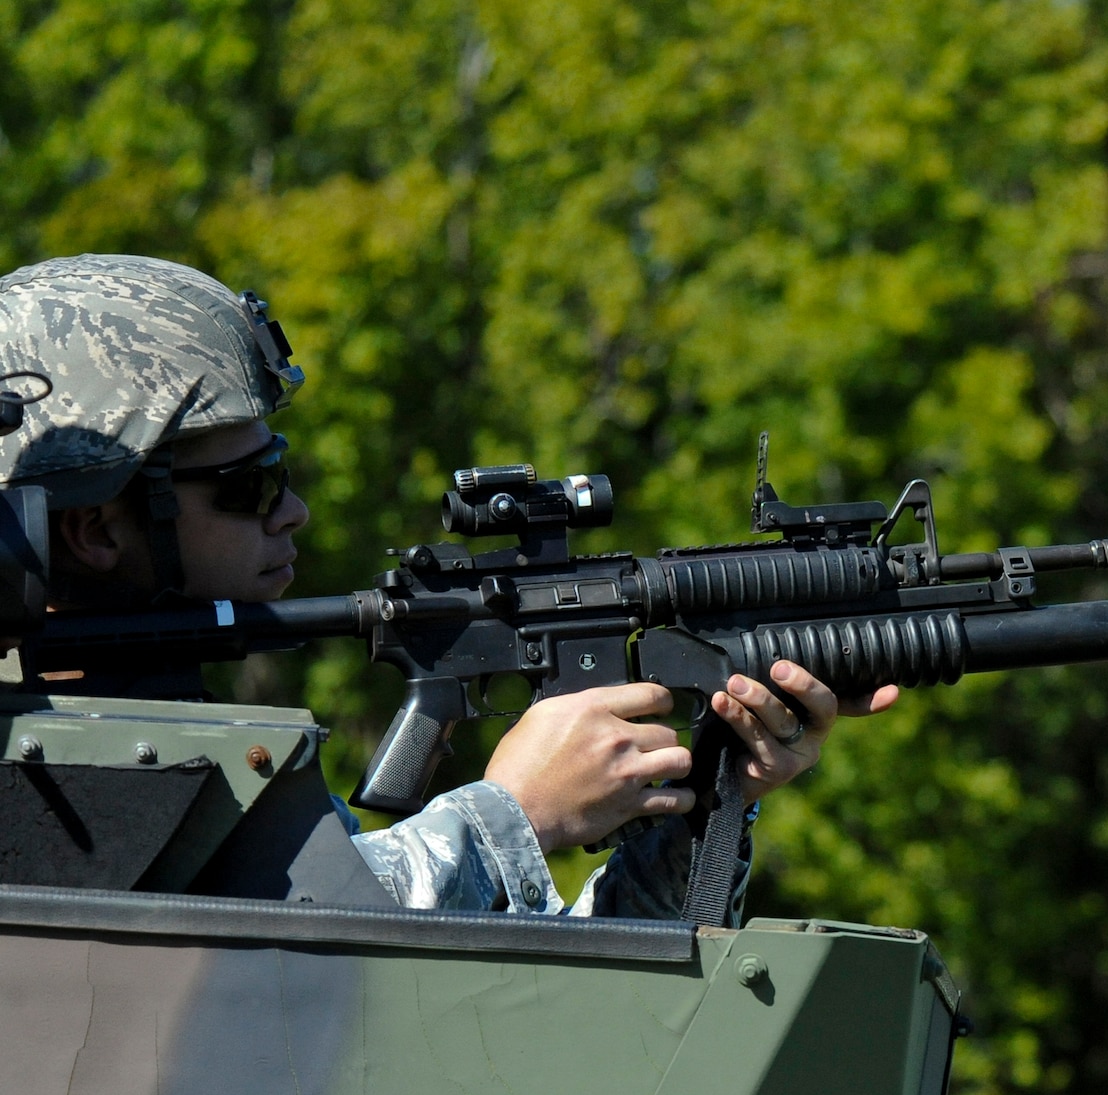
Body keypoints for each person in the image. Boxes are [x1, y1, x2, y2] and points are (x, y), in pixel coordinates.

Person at [0, 253, 896, 919]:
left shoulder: (165, 732)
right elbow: (322, 954)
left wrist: (705, 801)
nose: (295, 512)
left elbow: (514, 1007)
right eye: (248, 488)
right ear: (94, 528)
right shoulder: (51, 770)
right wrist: (517, 810)